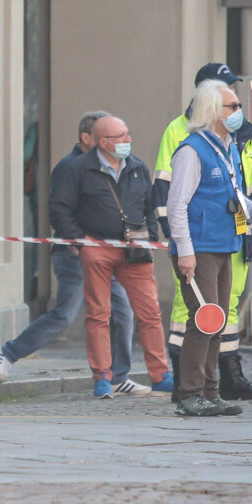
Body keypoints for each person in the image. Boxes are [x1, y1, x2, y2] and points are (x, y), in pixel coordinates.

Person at [152, 62, 252, 401]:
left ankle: (210, 391)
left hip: (227, 243)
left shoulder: (230, 145)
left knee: (217, 321)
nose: (239, 111)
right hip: (200, 245)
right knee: (200, 321)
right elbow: (174, 202)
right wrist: (183, 248)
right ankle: (189, 393)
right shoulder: (190, 146)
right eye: (232, 106)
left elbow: (238, 195)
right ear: (212, 109)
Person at [0, 112, 138, 387]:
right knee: (64, 315)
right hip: (76, 255)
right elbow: (59, 210)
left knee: (123, 312)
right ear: (86, 138)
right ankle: (7, 353)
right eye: (105, 137)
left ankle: (118, 376)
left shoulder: (113, 166)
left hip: (109, 254)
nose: (116, 143)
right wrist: (76, 242)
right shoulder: (70, 167)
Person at [49, 114, 172, 399]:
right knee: (98, 314)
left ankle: (160, 374)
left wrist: (151, 237)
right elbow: (60, 208)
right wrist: (80, 243)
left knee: (149, 312)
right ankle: (102, 377)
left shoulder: (137, 166)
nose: (127, 140)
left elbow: (148, 204)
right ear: (102, 142)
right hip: (97, 247)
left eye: (127, 134)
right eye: (121, 137)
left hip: (135, 248)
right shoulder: (78, 168)